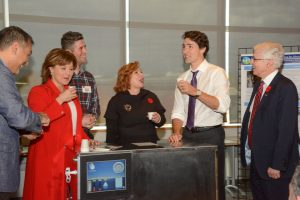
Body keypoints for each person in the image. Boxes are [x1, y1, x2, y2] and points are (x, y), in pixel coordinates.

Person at [23, 48, 93, 200]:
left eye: (71, 69)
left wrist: (88, 142)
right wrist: (60, 100)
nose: (68, 73)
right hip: (48, 158)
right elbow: (38, 122)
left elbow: (74, 127)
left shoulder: (71, 93)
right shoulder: (38, 92)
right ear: (50, 69)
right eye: (63, 68)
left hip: (70, 157)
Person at [169, 31, 230, 200]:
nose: (185, 51)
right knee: (188, 185)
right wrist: (176, 133)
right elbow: (178, 111)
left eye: (190, 46)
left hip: (210, 135)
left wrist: (195, 92)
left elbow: (222, 106)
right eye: (183, 46)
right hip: (187, 136)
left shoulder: (216, 73)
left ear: (203, 49)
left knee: (212, 186)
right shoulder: (182, 78)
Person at [240, 42, 299, 200]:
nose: (251, 62)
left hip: (273, 166)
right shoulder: (259, 86)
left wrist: (277, 164)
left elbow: (286, 130)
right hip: (257, 162)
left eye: (255, 58)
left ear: (269, 62)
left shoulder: (285, 88)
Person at [0, 26, 50, 200]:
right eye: (27, 54)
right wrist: (39, 118)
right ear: (15, 47)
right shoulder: (1, 74)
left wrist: (22, 131)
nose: (27, 62)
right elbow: (18, 115)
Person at [105, 61, 166, 145]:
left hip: (150, 147)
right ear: (126, 77)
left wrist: (159, 118)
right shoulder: (116, 100)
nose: (142, 75)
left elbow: (162, 120)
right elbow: (111, 133)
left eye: (141, 72)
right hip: (126, 149)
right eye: (136, 72)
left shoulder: (150, 96)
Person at [61, 31, 100, 139]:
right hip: (65, 137)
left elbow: (95, 107)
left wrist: (91, 119)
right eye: (81, 48)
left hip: (86, 137)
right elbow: (56, 110)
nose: (85, 51)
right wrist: (79, 120)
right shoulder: (59, 78)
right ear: (69, 52)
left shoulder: (89, 78)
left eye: (85, 47)